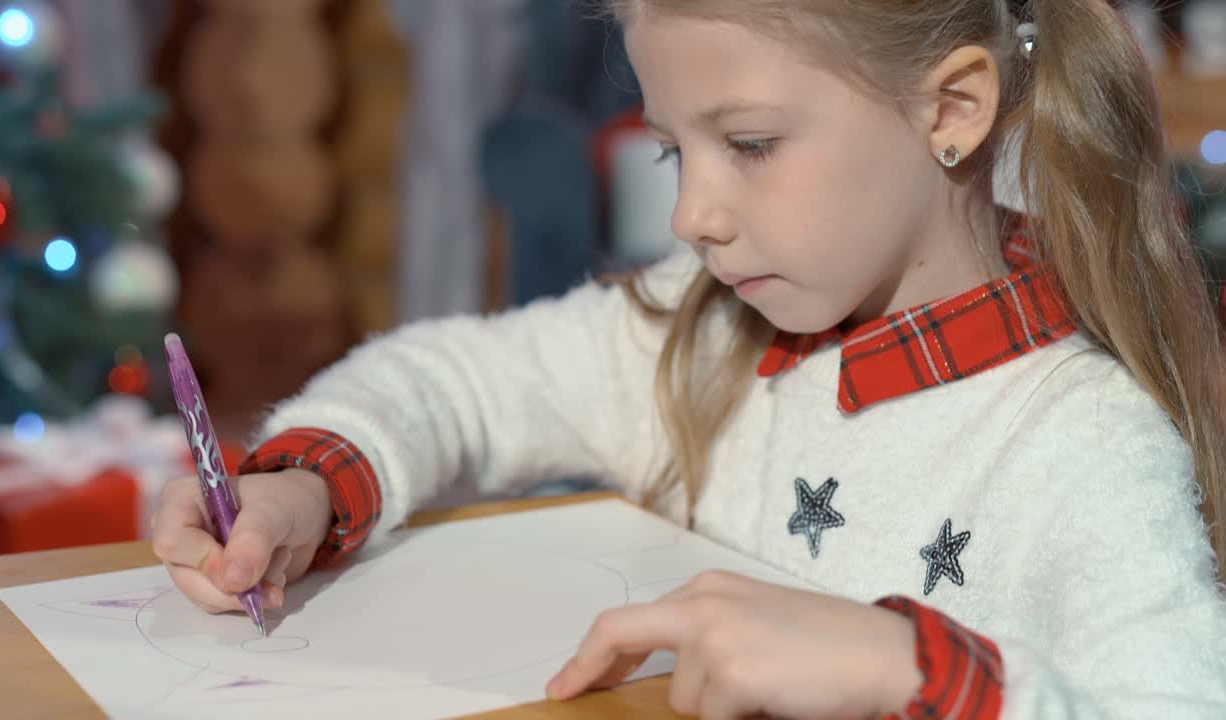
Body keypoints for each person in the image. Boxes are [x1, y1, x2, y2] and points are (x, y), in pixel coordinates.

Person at [151, 1, 1226, 717]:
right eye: (674, 147)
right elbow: (463, 381)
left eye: (748, 145)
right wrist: (305, 481)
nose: (691, 214)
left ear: (950, 110)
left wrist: (909, 669)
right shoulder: (703, 326)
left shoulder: (1081, 438)